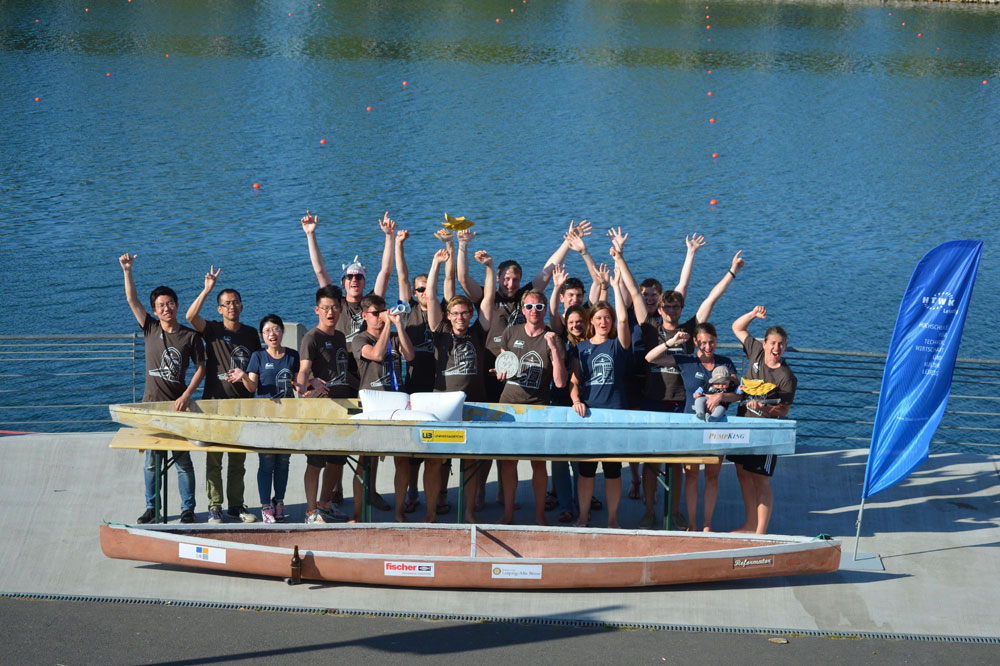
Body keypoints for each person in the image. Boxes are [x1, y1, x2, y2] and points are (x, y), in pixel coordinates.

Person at [627, 241, 744, 530]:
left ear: (680, 307)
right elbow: (632, 293)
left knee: (678, 463)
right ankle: (650, 509)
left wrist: (731, 271)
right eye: (666, 305)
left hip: (681, 401)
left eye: (675, 305)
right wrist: (618, 258)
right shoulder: (649, 326)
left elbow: (709, 301)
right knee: (651, 461)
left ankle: (675, 510)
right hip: (653, 398)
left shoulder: (690, 330)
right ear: (661, 307)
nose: (670, 308)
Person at [302, 210, 394, 511]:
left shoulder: (371, 306)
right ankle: (337, 491)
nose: (355, 280)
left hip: (365, 379)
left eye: (359, 277)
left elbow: (386, 274)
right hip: (340, 380)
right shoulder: (337, 306)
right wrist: (311, 235)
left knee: (368, 445)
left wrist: (389, 239)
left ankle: (369, 490)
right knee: (338, 446)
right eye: (350, 277)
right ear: (343, 282)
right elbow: (319, 273)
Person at [119, 253, 205, 524]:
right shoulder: (150, 327)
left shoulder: (190, 336)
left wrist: (186, 395)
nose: (166, 308)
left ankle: (187, 510)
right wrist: (127, 271)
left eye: (170, 304)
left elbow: (202, 367)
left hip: (178, 407)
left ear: (177, 306)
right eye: (161, 305)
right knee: (152, 463)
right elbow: (132, 300)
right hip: (151, 406)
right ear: (155, 311)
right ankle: (152, 509)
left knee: (183, 463)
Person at [184, 266, 260, 524]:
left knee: (238, 461)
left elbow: (256, 365)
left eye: (236, 303)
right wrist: (207, 290)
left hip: (242, 405)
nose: (231, 307)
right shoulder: (213, 330)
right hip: (215, 404)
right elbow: (190, 316)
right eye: (226, 304)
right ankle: (214, 506)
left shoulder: (250, 333)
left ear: (242, 306)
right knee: (214, 459)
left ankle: (236, 505)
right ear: (219, 309)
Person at [646, 322, 738, 532]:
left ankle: (706, 524)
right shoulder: (687, 360)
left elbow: (739, 393)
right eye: (703, 342)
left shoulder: (726, 363)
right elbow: (650, 358)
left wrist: (721, 396)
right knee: (692, 476)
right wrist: (671, 342)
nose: (708, 346)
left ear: (716, 340)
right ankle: (692, 523)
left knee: (712, 477)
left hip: (718, 428)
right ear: (695, 342)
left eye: (712, 342)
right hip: (692, 427)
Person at [425, 248, 495, 523]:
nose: (461, 317)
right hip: (441, 405)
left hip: (473, 404)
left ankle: (467, 512)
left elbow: (488, 299)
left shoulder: (478, 331)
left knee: (470, 461)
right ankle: (431, 512)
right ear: (449, 315)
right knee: (435, 460)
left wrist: (490, 268)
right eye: (455, 313)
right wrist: (436, 263)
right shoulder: (440, 331)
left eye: (465, 313)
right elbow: (431, 297)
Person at [494, 290, 568, 525]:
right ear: (523, 310)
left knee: (538, 463)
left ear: (545, 309)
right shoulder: (510, 332)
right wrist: (500, 372)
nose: (533, 311)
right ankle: (508, 513)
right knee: (509, 462)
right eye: (529, 307)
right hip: (509, 406)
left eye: (538, 307)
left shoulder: (553, 337)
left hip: (538, 407)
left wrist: (554, 348)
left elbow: (560, 382)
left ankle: (539, 515)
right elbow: (503, 365)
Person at [396, 228, 456, 516]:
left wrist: (448, 246)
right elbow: (403, 277)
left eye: (425, 288)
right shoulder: (408, 310)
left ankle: (442, 493)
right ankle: (412, 493)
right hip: (413, 380)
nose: (422, 292)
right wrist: (398, 244)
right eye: (419, 290)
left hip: (439, 379)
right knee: (412, 450)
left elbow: (448, 278)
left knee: (442, 448)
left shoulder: (441, 310)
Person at [569, 267, 631, 528]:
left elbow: (625, 322)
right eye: (599, 318)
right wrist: (576, 400)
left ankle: (613, 519)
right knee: (586, 471)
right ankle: (583, 516)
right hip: (589, 414)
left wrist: (616, 286)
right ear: (591, 320)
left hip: (615, 413)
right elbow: (574, 382)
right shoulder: (580, 348)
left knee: (613, 470)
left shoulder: (618, 344)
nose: (604, 322)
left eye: (608, 318)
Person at [729, 306, 797, 535]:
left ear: (784, 347)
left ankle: (760, 533)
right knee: (742, 473)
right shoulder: (755, 351)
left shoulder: (786, 377)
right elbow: (737, 327)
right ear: (765, 343)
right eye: (773, 343)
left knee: (761, 480)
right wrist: (751, 314)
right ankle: (749, 525)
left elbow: (784, 410)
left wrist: (765, 409)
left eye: (781, 344)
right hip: (744, 423)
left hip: (766, 431)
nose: (776, 348)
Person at [229, 314, 300, 523]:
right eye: (267, 331)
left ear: (282, 331)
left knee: (284, 462)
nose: (272, 334)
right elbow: (252, 387)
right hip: (265, 419)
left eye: (276, 329)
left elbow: (298, 384)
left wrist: (310, 383)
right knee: (266, 462)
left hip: (287, 418)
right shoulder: (258, 357)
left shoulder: (293, 356)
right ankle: (265, 506)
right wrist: (243, 376)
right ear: (262, 335)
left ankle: (279, 501)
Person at [351, 293, 416, 522]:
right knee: (364, 461)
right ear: (365, 315)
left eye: (382, 312)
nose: (380, 317)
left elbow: (410, 355)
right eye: (375, 314)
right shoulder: (360, 339)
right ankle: (358, 513)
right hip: (373, 406)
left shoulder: (395, 337)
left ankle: (399, 511)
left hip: (397, 405)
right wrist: (388, 326)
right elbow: (377, 355)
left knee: (402, 460)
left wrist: (399, 325)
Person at [296, 285, 357, 523]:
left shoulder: (340, 337)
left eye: (334, 308)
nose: (330, 312)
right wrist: (304, 383)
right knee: (316, 463)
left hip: (341, 409)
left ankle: (324, 504)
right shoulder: (311, 338)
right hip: (319, 411)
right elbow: (303, 370)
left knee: (336, 461)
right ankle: (311, 511)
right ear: (316, 310)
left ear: (340, 309)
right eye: (325, 308)